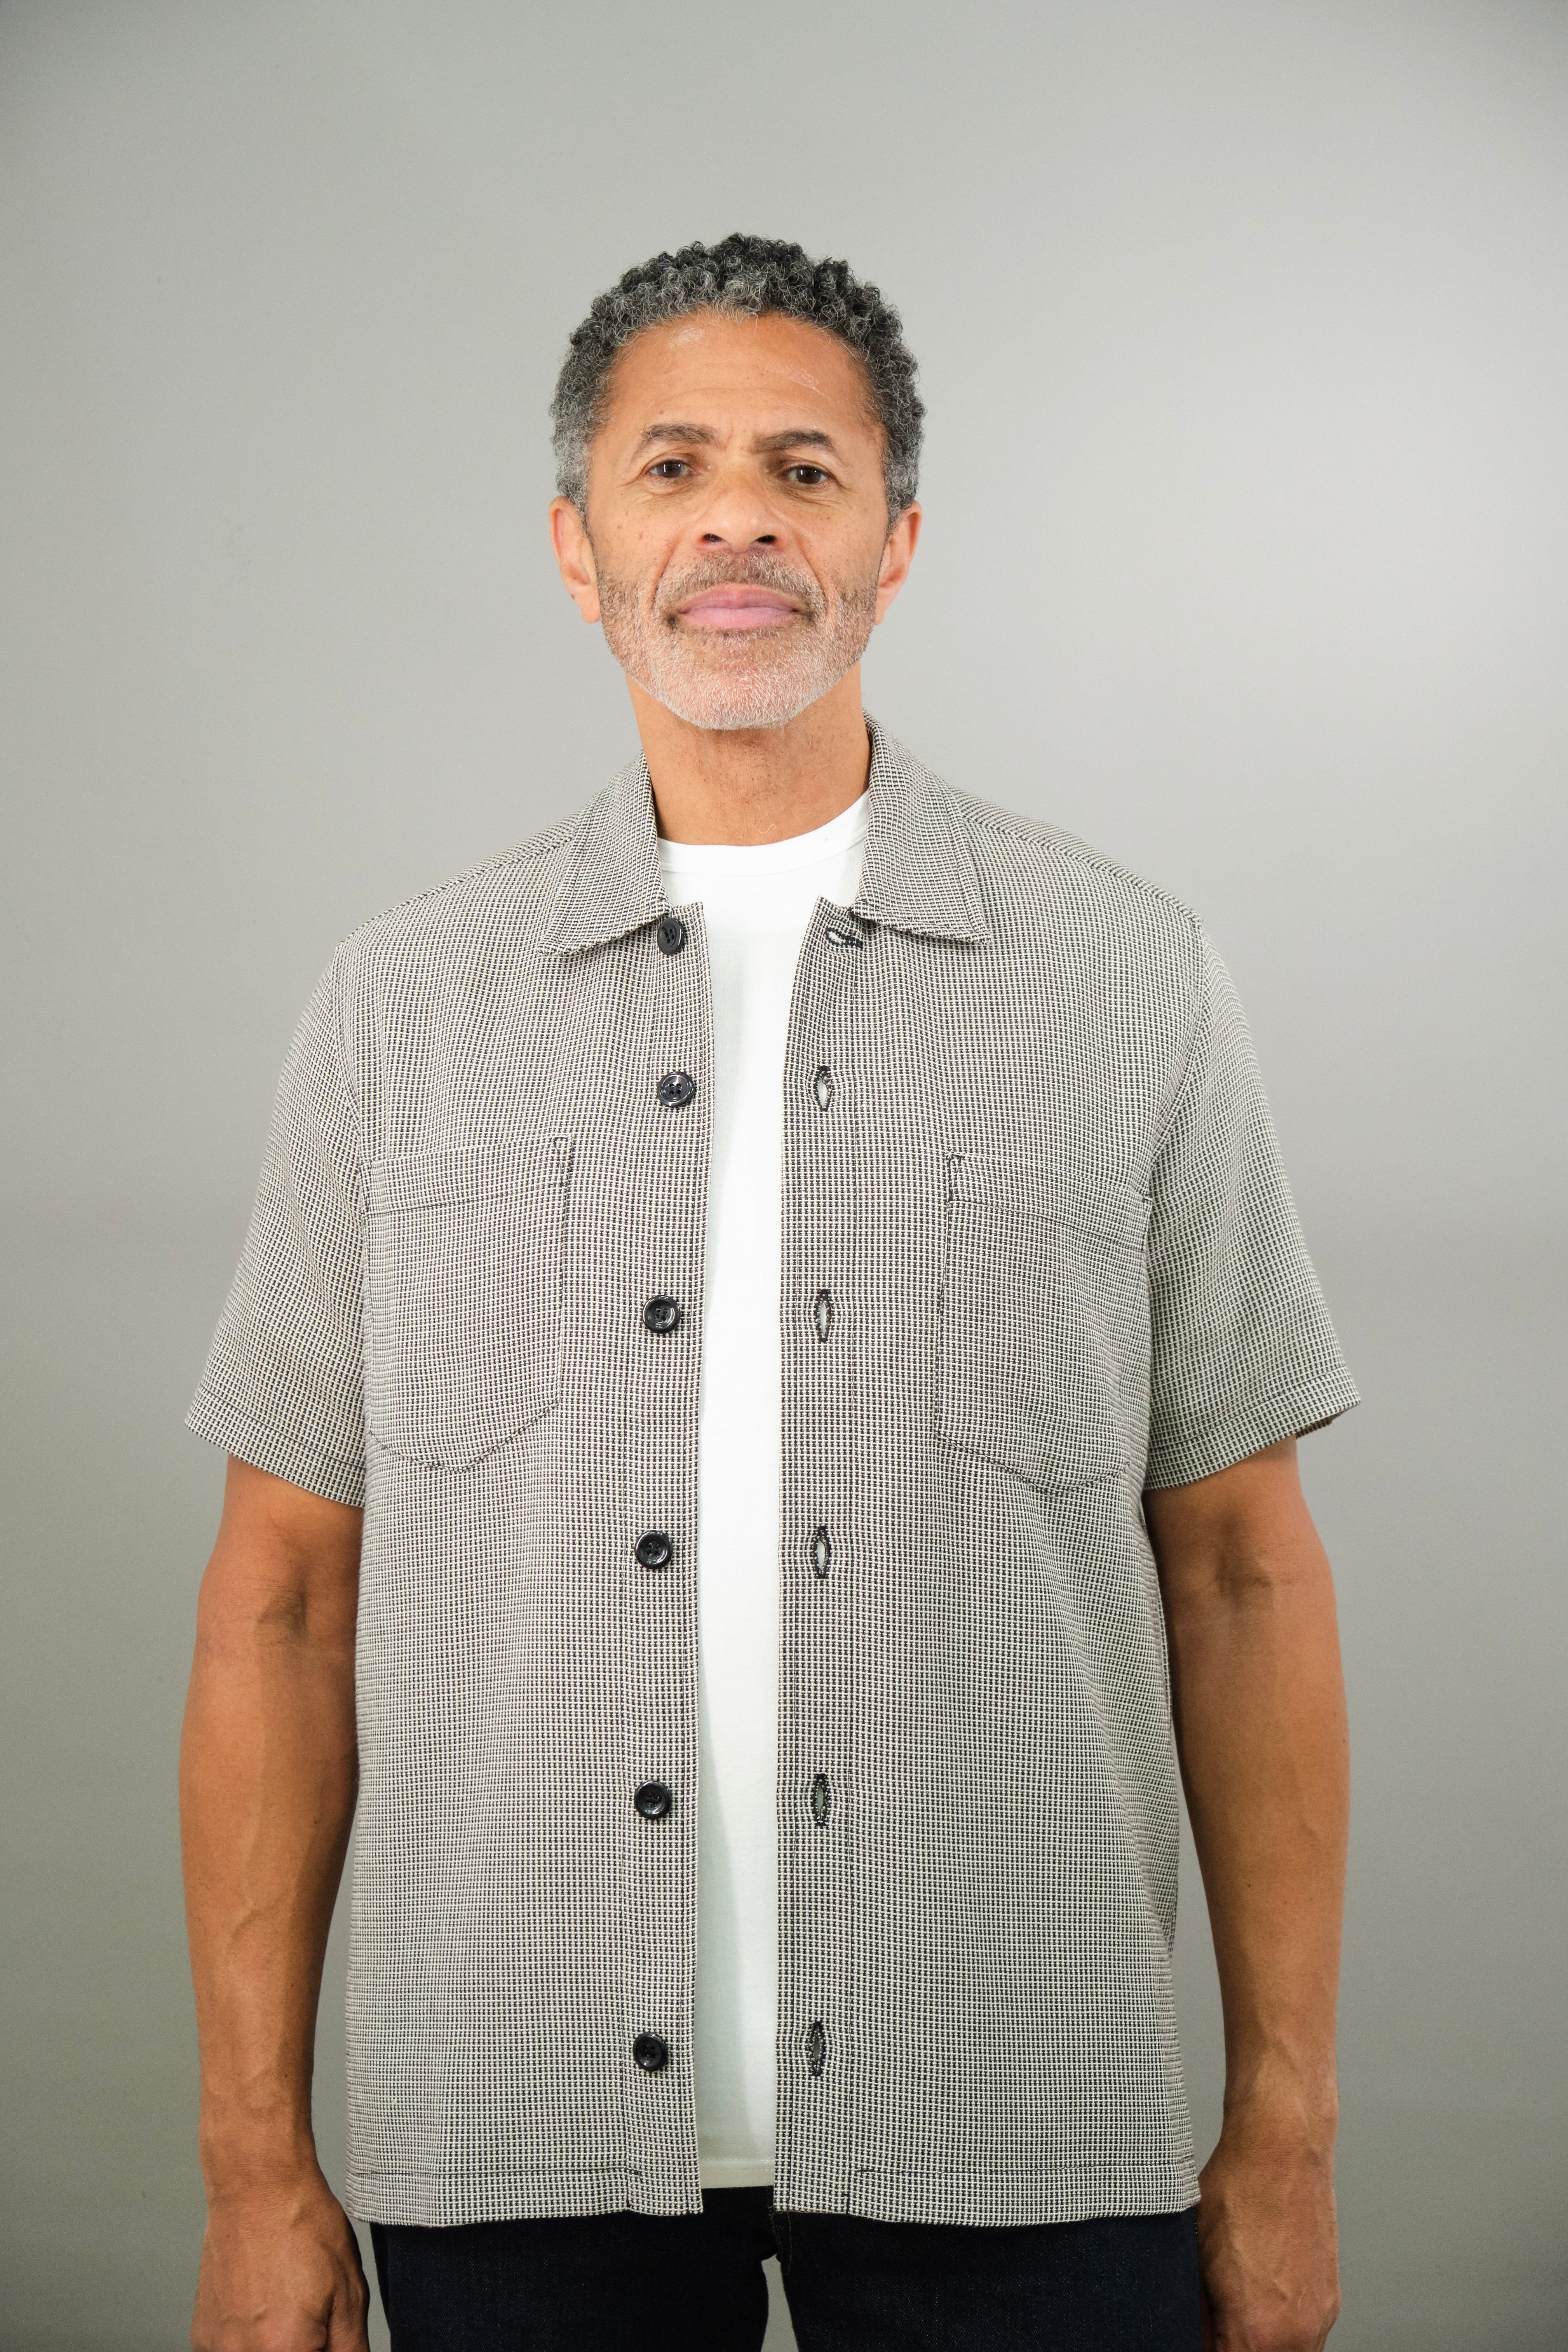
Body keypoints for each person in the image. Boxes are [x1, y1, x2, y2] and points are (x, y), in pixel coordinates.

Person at [179, 233, 1358, 2352]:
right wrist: (252, 2158)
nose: (736, 519)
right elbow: (279, 1594)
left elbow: (1244, 1570)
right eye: (674, 467)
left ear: (895, 541)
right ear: (578, 545)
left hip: (1015, 2094)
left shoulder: (1130, 974)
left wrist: (1285, 2124)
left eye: (804, 470)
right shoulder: (397, 1007)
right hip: (516, 2117)